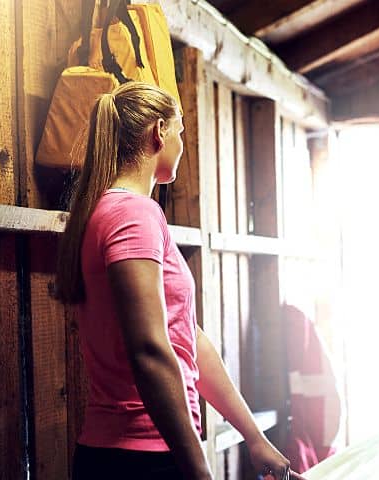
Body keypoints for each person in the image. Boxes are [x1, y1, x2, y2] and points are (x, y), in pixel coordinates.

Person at [55, 81, 304, 480]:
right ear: (160, 132)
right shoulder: (134, 214)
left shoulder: (108, 210)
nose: (182, 143)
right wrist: (198, 470)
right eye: (181, 131)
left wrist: (253, 437)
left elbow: (187, 336)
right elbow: (150, 350)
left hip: (122, 453)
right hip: (146, 459)